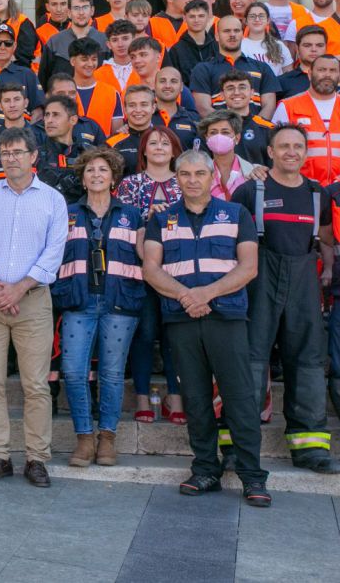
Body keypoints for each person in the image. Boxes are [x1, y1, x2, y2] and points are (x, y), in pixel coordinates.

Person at [142, 148, 271, 508]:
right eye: (185, 175)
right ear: (177, 179)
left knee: (241, 398)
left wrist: (206, 294)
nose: (193, 180)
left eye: (200, 174)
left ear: (211, 177)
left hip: (226, 318)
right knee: (196, 398)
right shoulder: (162, 219)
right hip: (182, 321)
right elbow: (152, 269)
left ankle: (252, 477)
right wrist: (187, 298)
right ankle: (204, 469)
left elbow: (248, 268)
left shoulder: (236, 214)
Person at [0, 126, 68, 487]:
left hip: (33, 301)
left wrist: (19, 288)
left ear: (33, 156)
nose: (10, 159)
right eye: (4, 153)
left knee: (36, 384)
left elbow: (53, 254)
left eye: (17, 152)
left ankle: (37, 458)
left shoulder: (53, 200)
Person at [233, 124, 340, 473]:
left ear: (306, 152)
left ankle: (310, 447)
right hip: (259, 279)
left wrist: (326, 271)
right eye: (284, 146)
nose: (291, 152)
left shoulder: (317, 193)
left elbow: (325, 238)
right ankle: (239, 445)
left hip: (303, 281)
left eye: (298, 146)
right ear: (270, 152)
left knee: (308, 361)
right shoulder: (251, 191)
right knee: (249, 360)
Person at [52, 147, 145, 468]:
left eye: (103, 170)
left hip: (120, 302)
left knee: (112, 374)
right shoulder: (66, 213)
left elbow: (146, 257)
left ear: (113, 177)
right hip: (78, 301)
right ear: (82, 176)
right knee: (75, 371)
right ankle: (84, 438)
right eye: (90, 170)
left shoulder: (132, 216)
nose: (96, 175)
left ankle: (107, 438)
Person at [116, 126, 186, 424]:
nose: (159, 147)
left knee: (174, 335)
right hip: (138, 271)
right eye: (152, 143)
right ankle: (143, 397)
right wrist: (147, 218)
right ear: (143, 150)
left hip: (178, 270)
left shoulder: (186, 180)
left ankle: (176, 397)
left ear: (174, 150)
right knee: (144, 333)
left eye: (165, 143)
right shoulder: (130, 184)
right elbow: (121, 223)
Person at [191, 15, 280, 118]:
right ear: (217, 36)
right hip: (221, 131)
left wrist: (254, 128)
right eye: (226, 31)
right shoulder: (203, 69)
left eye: (237, 31)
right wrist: (228, 128)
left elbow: (269, 106)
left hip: (255, 131)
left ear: (242, 35)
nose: (232, 35)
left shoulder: (262, 68)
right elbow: (203, 108)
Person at [273, 54, 340, 185]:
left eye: (332, 71)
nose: (327, 75)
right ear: (309, 74)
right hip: (301, 188)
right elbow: (274, 151)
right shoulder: (288, 106)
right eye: (321, 70)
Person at [242, 2, 294, 76]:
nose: (257, 19)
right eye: (252, 16)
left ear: (268, 20)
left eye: (261, 16)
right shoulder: (240, 46)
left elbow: (289, 75)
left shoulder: (279, 45)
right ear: (246, 21)